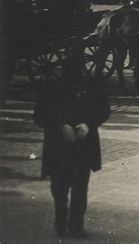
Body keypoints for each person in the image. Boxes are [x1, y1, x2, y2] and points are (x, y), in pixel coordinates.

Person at [33, 47, 110, 238]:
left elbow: (103, 109)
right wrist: (61, 125)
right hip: (59, 145)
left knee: (80, 186)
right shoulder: (52, 87)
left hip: (83, 144)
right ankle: (61, 220)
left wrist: (88, 124)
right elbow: (39, 115)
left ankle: (76, 224)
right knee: (59, 187)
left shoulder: (93, 85)